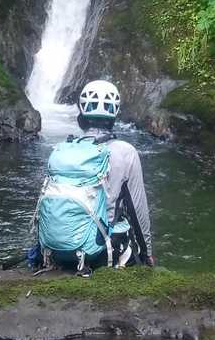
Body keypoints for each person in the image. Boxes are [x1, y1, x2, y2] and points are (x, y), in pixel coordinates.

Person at [34, 79, 155, 273]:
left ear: (81, 114)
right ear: (114, 115)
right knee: (124, 234)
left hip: (54, 249)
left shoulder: (63, 150)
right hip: (99, 252)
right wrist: (147, 253)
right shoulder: (125, 152)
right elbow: (137, 209)